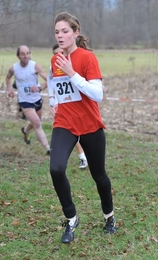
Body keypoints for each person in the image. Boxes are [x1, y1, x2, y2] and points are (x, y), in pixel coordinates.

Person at [49, 11, 117, 244]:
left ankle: (109, 217)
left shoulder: (87, 58)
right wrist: (54, 102)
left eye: (65, 31)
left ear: (76, 33)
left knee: (99, 176)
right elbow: (58, 87)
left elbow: (97, 94)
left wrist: (72, 73)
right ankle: (71, 217)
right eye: (57, 32)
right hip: (65, 123)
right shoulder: (55, 59)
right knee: (56, 168)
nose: (60, 36)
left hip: (89, 125)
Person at [5, 45, 51, 155]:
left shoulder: (35, 66)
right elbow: (8, 77)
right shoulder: (14, 68)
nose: (26, 56)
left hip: (36, 99)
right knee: (37, 124)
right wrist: (9, 88)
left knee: (35, 121)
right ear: (18, 56)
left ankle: (25, 130)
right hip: (24, 101)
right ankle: (48, 148)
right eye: (23, 54)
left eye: (27, 53)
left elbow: (49, 80)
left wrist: (40, 88)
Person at [48, 44, 88, 169]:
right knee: (68, 130)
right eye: (55, 54)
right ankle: (82, 157)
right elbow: (50, 81)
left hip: (80, 108)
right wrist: (52, 99)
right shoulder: (54, 65)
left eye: (61, 53)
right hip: (62, 106)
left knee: (81, 132)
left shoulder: (74, 65)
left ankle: (86, 155)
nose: (58, 56)